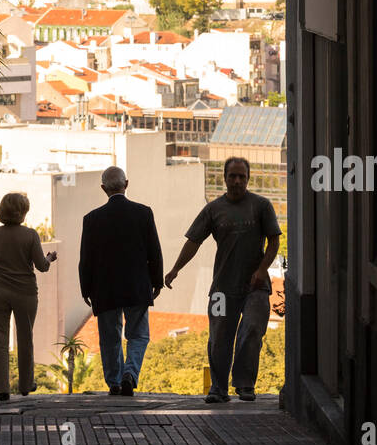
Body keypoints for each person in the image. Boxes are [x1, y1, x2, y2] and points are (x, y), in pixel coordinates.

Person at [164, 156, 280, 403]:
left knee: (251, 330)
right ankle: (218, 388)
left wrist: (261, 271)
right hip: (222, 288)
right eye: (232, 176)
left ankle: (245, 385)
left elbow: (274, 241)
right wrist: (175, 269)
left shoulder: (261, 205)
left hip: (256, 287)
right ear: (224, 178)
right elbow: (193, 242)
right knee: (219, 337)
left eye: (242, 177)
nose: (237, 181)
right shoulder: (213, 209)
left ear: (248, 179)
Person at [78, 166, 163, 397]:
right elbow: (154, 251)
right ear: (127, 184)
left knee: (109, 337)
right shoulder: (144, 213)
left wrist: (85, 287)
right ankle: (130, 373)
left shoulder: (91, 219)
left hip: (104, 289)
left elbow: (86, 258)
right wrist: (157, 281)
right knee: (138, 335)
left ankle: (114, 382)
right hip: (136, 286)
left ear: (103, 188)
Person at [0, 192, 57, 402]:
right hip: (25, 292)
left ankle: (2, 389)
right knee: (25, 337)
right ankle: (25, 385)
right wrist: (49, 258)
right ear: (22, 212)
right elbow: (42, 266)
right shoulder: (30, 235)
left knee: (0, 341)